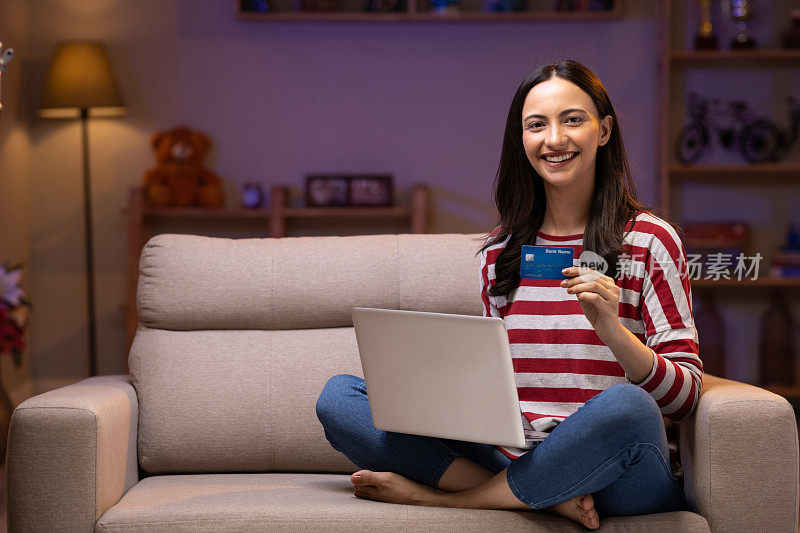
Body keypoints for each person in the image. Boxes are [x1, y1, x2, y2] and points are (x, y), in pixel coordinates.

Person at [315, 59, 703, 530]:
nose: (553, 139)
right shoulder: (501, 251)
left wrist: (613, 332)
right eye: (536, 125)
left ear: (603, 131)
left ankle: (454, 500)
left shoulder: (649, 240)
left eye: (572, 120)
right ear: (521, 141)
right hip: (515, 452)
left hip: (619, 470)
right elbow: (493, 391)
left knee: (629, 406)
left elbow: (683, 399)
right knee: (340, 397)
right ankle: (542, 494)